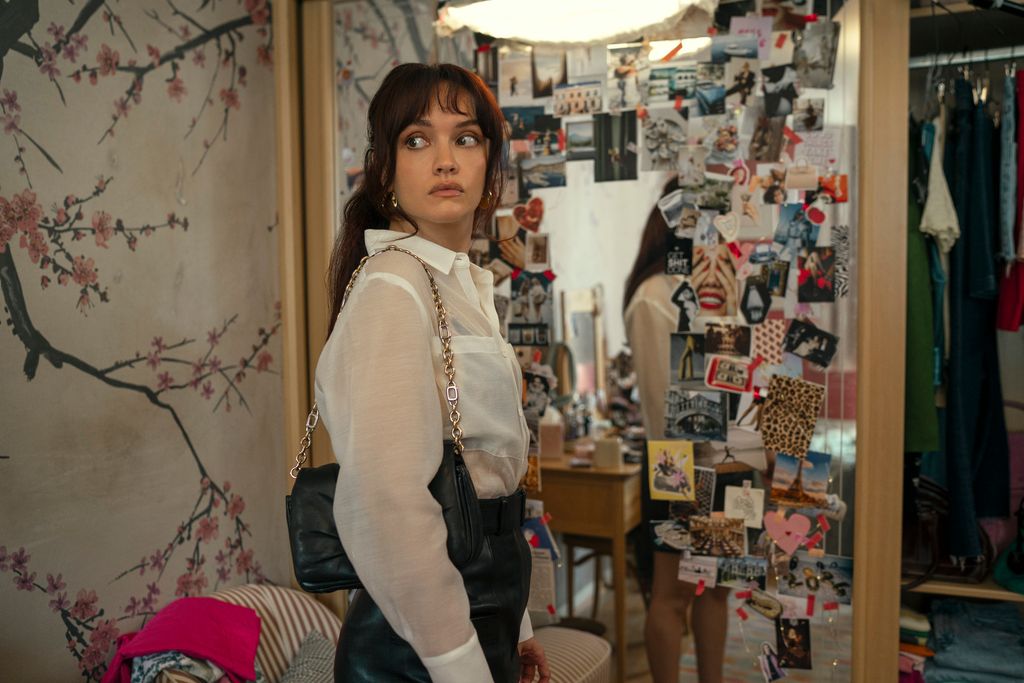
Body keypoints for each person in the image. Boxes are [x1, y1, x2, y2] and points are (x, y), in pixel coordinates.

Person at [315, 63, 549, 683]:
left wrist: (515, 626)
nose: (445, 160)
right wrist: (461, 664)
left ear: (488, 167)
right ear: (387, 170)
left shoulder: (460, 285)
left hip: (483, 607)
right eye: (417, 140)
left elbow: (484, 474)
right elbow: (386, 505)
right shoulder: (393, 286)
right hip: (418, 651)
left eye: (465, 138)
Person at [623, 177, 730, 683]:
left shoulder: (718, 293)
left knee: (716, 586)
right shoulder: (653, 297)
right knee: (672, 594)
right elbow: (662, 404)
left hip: (728, 457)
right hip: (679, 462)